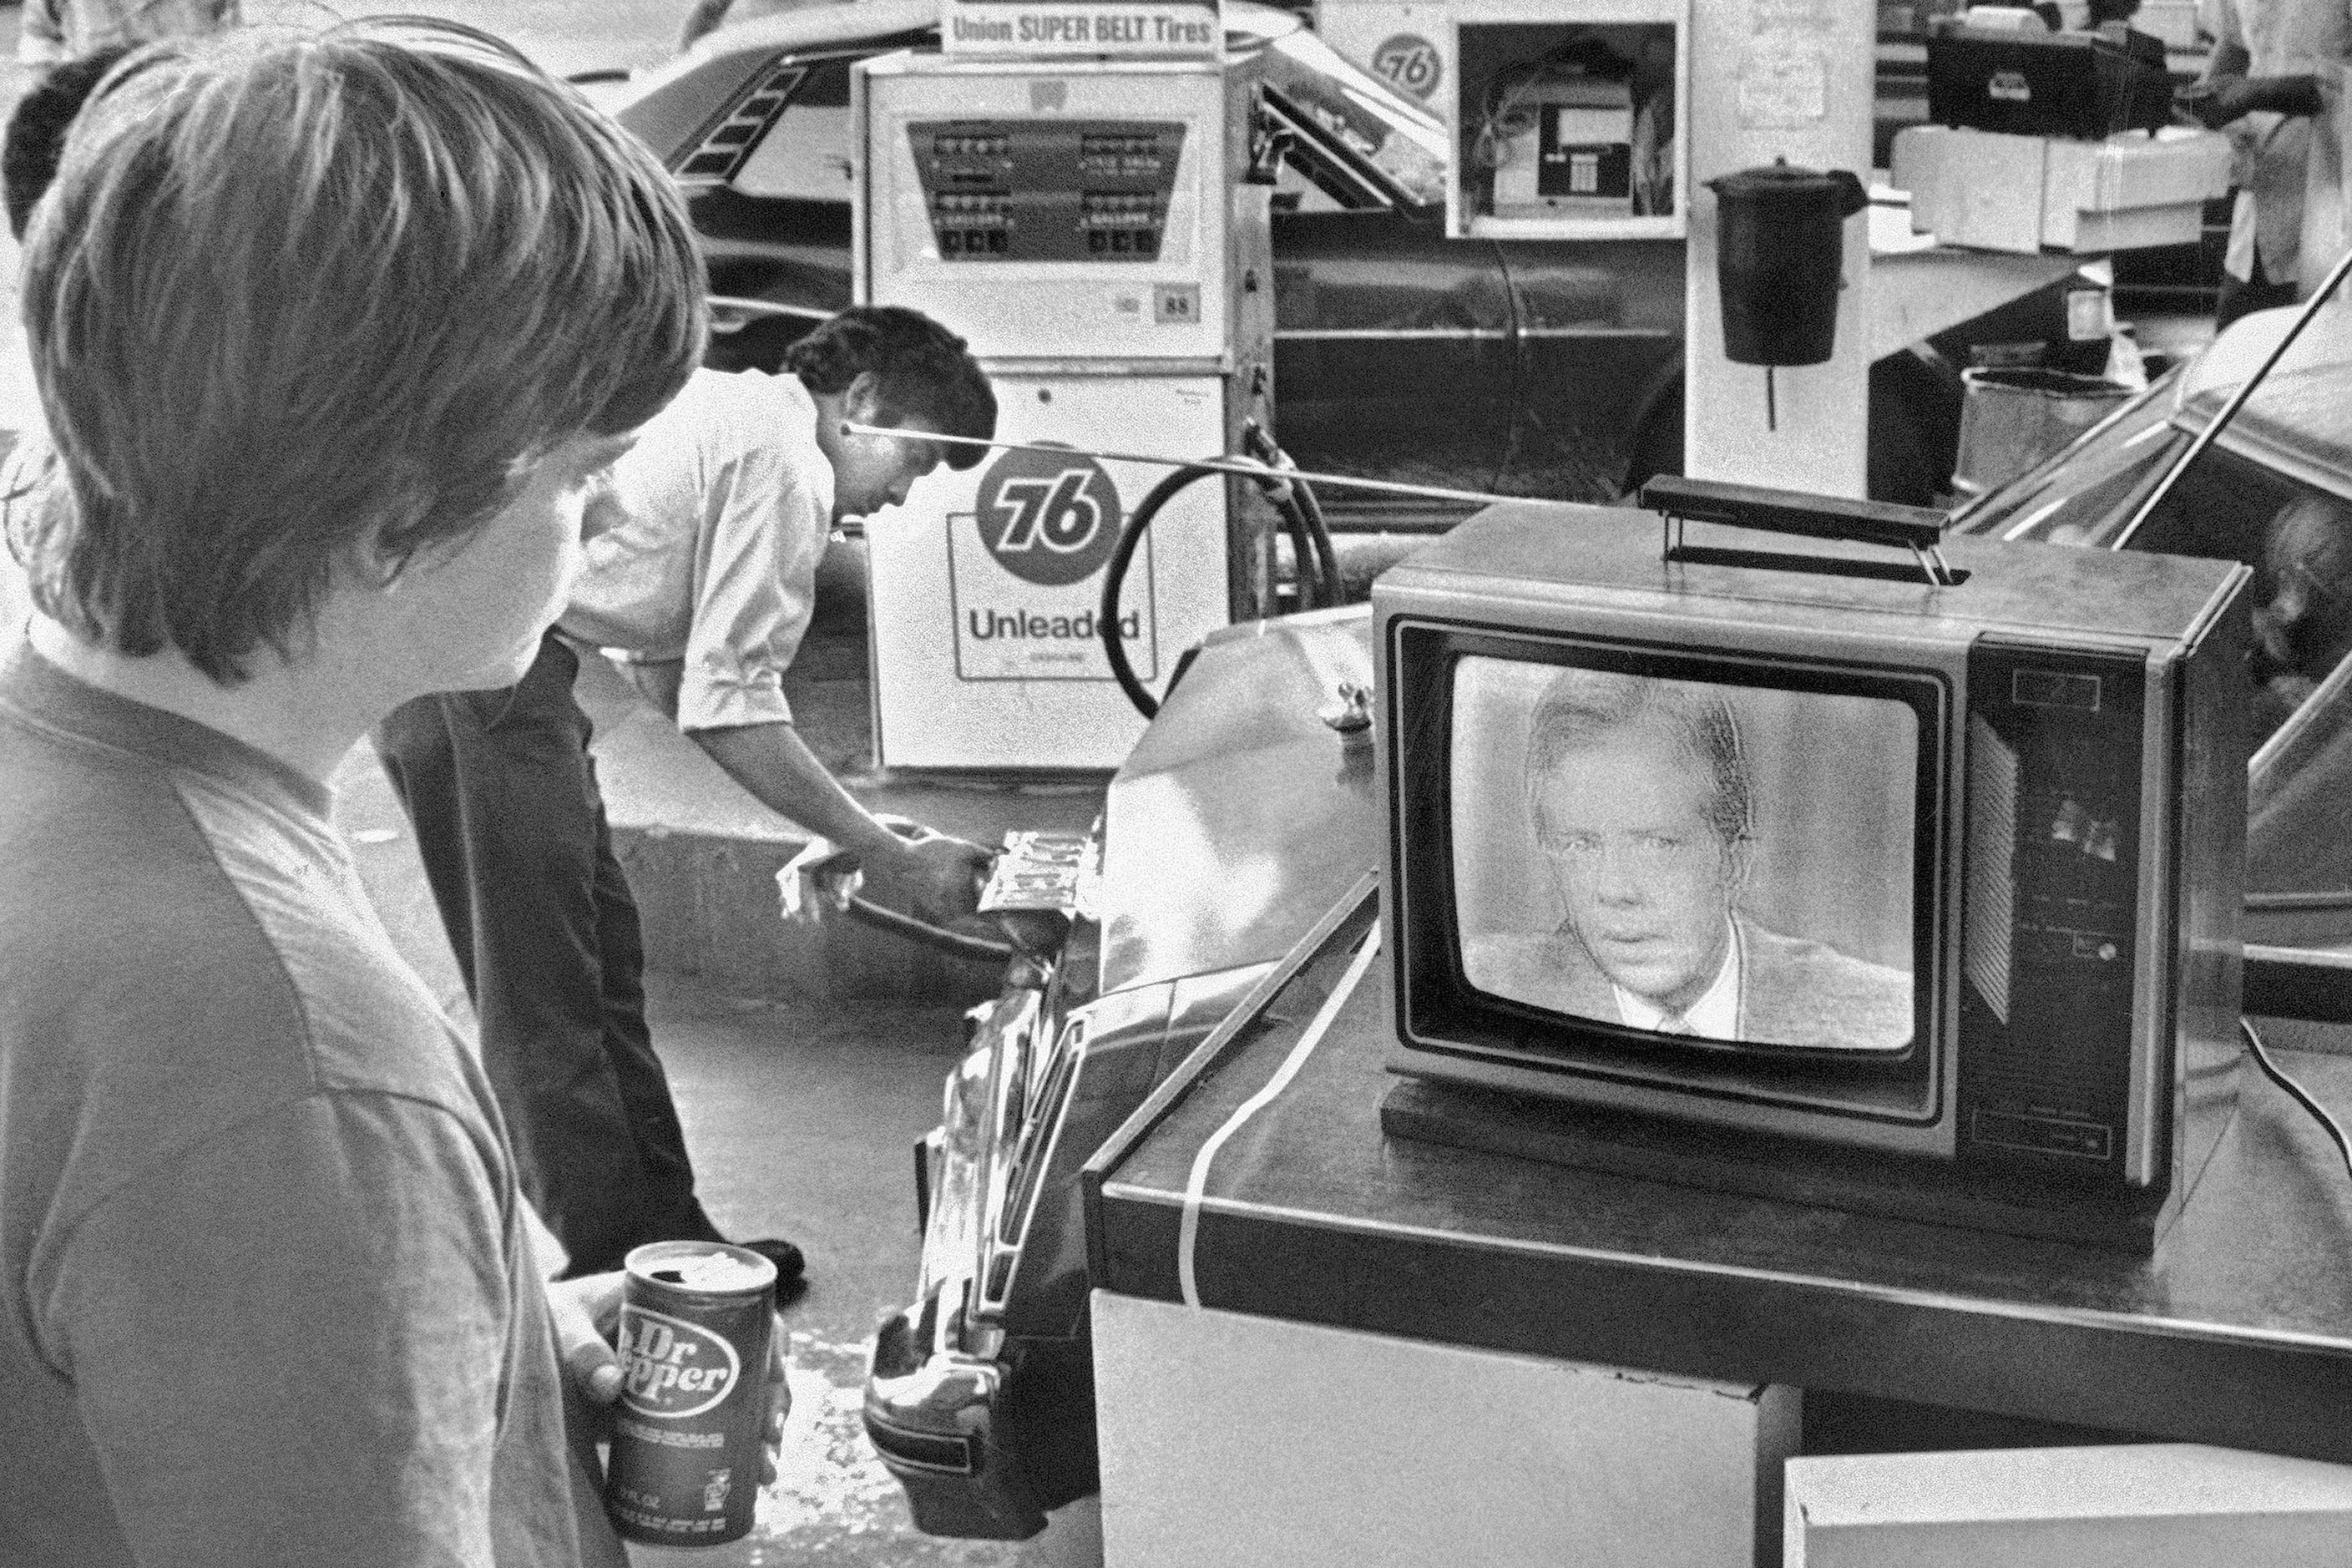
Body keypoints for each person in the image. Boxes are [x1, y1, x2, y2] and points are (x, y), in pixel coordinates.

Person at [0, 22, 781, 1563]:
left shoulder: (85, 796)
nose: (614, 502)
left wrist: (485, 1324)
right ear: (390, 511)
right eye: (580, 467)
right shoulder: (294, 1059)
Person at [372, 303, 999, 1286]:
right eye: (914, 461)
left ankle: (662, 1237)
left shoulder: (740, 418)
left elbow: (682, 677)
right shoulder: (787, 460)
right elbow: (728, 705)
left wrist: (838, 825)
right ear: (863, 402)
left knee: (603, 964)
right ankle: (608, 1276)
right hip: (469, 661)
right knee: (546, 992)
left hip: (510, 659)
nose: (903, 497)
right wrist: (883, 849)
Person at [1465, 672, 1912, 1051]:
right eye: (1581, 846)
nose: (1617, 890)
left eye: (1657, 844)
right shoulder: (1491, 985)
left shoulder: (1879, 1014)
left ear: (1735, 863)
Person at [2180, 0, 2351, 326]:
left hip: (2334, 183)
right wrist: (2197, 98)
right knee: (2235, 335)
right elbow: (2237, 44)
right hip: (2265, 176)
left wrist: (2258, 93)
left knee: (2316, 337)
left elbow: (2340, 81)